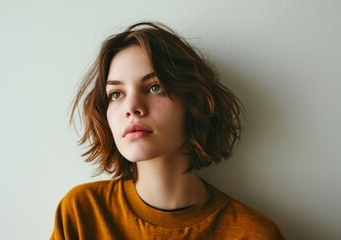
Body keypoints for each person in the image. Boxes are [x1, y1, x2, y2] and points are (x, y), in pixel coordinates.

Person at [51, 22, 284, 239]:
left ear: (194, 103)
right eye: (116, 94)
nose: (132, 107)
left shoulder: (253, 233)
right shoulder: (82, 213)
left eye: (154, 87)